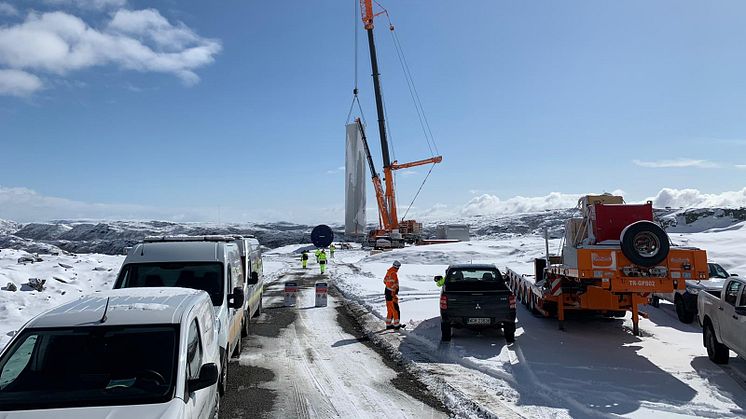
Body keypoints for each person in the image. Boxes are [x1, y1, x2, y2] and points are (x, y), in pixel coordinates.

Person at [384, 260, 404, 330]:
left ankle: (388, 324)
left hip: (387, 292)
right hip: (392, 293)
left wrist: (389, 287)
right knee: (395, 309)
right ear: (397, 267)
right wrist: (395, 289)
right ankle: (396, 325)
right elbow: (394, 284)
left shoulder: (389, 272)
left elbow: (384, 281)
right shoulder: (394, 274)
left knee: (390, 309)